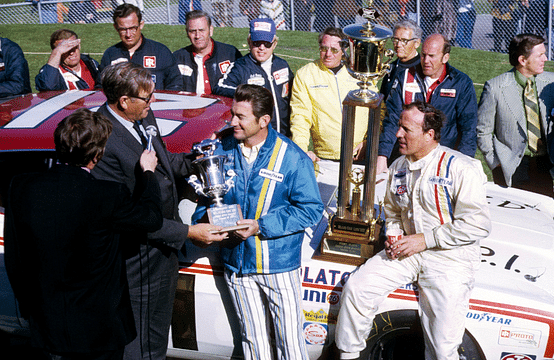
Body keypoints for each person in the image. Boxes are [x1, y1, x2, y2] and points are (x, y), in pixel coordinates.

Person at [335, 101, 491, 360]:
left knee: (443, 346)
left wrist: (426, 239)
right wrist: (394, 233)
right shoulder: (398, 167)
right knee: (357, 288)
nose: (398, 134)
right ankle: (349, 355)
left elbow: (477, 224)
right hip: (407, 252)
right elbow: (393, 211)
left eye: (406, 129)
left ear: (429, 135)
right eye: (399, 127)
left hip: (450, 258)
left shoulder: (461, 167)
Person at [4, 108, 163, 360]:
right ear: (97, 155)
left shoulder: (21, 186)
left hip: (46, 323)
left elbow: (15, 256)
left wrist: (30, 308)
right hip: (100, 331)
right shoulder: (109, 195)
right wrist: (148, 173)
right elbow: (152, 219)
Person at [92, 62, 219, 360]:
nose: (152, 104)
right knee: (138, 343)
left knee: (156, 338)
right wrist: (188, 232)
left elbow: (164, 162)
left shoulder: (143, 118)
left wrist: (198, 159)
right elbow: (126, 215)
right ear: (124, 101)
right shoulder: (102, 139)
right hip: (136, 261)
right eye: (147, 98)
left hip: (162, 255)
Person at [194, 84, 323, 360]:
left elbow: (311, 209)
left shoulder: (292, 158)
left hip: (277, 265)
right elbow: (205, 199)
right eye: (233, 114)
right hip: (237, 264)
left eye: (241, 116)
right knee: (252, 343)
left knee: (290, 344)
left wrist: (261, 225)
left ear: (264, 121)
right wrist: (205, 221)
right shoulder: (221, 149)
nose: (233, 121)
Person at [477, 33, 554, 198]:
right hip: (510, 167)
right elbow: (483, 131)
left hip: (543, 165)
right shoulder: (495, 87)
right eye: (540, 55)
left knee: (544, 218)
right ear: (523, 60)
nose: (545, 58)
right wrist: (495, 164)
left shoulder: (551, 82)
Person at [377, 34, 478, 174]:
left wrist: (465, 163)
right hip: (407, 158)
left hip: (442, 162)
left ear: (445, 57)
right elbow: (392, 119)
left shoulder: (461, 83)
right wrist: (382, 156)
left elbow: (469, 127)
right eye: (423, 55)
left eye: (432, 56)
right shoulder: (405, 78)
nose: (426, 61)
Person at [290, 27, 372, 162]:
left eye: (334, 50)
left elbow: (377, 110)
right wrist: (302, 150)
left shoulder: (359, 72)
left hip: (361, 154)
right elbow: (300, 117)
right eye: (324, 49)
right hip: (325, 157)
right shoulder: (305, 74)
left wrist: (368, 142)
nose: (328, 54)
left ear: (344, 50)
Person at [216, 18, 293, 137]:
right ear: (249, 42)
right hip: (257, 137)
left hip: (284, 134)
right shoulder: (241, 66)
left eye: (267, 43)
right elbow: (220, 87)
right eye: (257, 43)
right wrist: (249, 93)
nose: (262, 48)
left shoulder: (282, 65)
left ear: (274, 44)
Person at [101, 4, 182, 91]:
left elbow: (175, 85)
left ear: (141, 25)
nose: (128, 34)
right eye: (123, 29)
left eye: (133, 28)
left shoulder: (160, 52)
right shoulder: (111, 54)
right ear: (116, 28)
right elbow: (100, 88)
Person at [173, 10, 241, 95]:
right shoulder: (178, 58)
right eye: (193, 31)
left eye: (202, 30)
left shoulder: (230, 54)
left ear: (211, 30)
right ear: (187, 32)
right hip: (191, 106)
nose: (197, 36)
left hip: (223, 106)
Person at [35, 29, 101, 91]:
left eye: (74, 47)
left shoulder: (90, 63)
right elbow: (48, 86)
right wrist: (57, 52)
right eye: (65, 50)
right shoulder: (52, 71)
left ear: (79, 46)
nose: (71, 53)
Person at [380, 19, 422, 100]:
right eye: (396, 40)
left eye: (404, 41)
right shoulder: (390, 68)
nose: (398, 45)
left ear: (416, 43)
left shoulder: (424, 68)